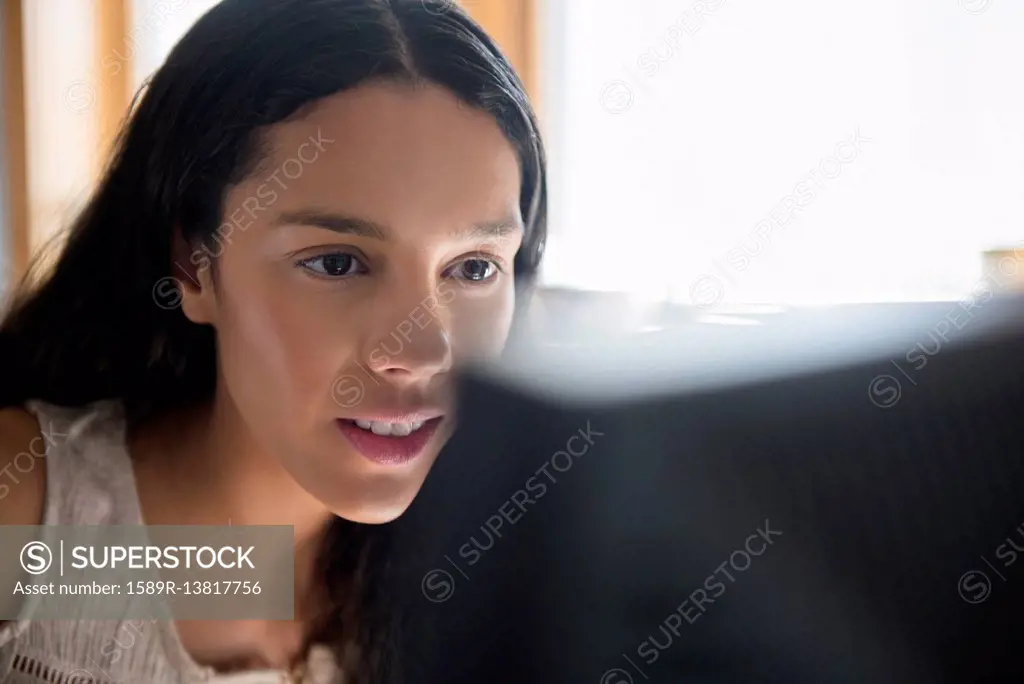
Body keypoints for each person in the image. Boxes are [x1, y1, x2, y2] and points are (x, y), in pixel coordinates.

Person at [0, 0, 546, 681]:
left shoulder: (505, 570)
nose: (423, 349)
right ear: (193, 267)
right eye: (338, 262)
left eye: (473, 268)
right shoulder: (26, 523)